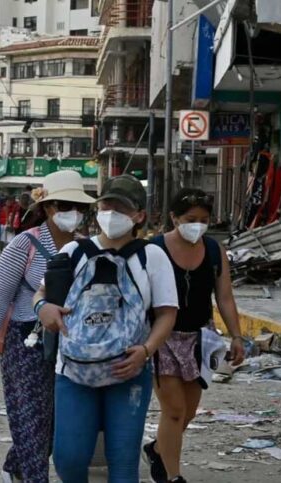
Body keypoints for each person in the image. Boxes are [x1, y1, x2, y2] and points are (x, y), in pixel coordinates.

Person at [35, 175, 179, 482]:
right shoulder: (74, 251)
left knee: (123, 463)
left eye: (121, 208)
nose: (111, 213)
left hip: (127, 372)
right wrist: (43, 309)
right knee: (68, 460)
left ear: (139, 215)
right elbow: (42, 294)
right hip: (74, 372)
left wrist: (146, 351)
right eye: (106, 205)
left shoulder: (151, 256)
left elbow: (167, 313)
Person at [0, 171, 95, 483]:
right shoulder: (23, 245)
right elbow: (0, 297)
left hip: (71, 345)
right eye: (65, 206)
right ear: (48, 208)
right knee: (31, 419)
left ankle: (15, 469)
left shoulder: (86, 248)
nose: (73, 213)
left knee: (56, 423)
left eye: (78, 207)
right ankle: (31, 477)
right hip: (25, 343)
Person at [142, 188, 245, 483]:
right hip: (163, 337)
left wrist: (236, 336)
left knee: (187, 413)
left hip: (199, 338)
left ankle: (157, 449)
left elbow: (224, 296)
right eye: (190, 219)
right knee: (173, 410)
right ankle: (172, 476)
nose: (197, 225)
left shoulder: (214, 250)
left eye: (203, 219)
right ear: (174, 218)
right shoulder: (155, 249)